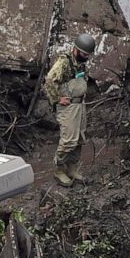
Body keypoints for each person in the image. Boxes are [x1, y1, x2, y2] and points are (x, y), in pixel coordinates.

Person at [44, 33, 96, 187]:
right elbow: (49, 80)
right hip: (68, 106)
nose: (86, 57)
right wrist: (56, 99)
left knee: (79, 138)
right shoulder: (64, 61)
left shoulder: (81, 63)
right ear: (76, 50)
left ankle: (72, 168)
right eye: (84, 54)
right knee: (68, 140)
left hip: (80, 104)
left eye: (88, 55)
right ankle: (59, 170)